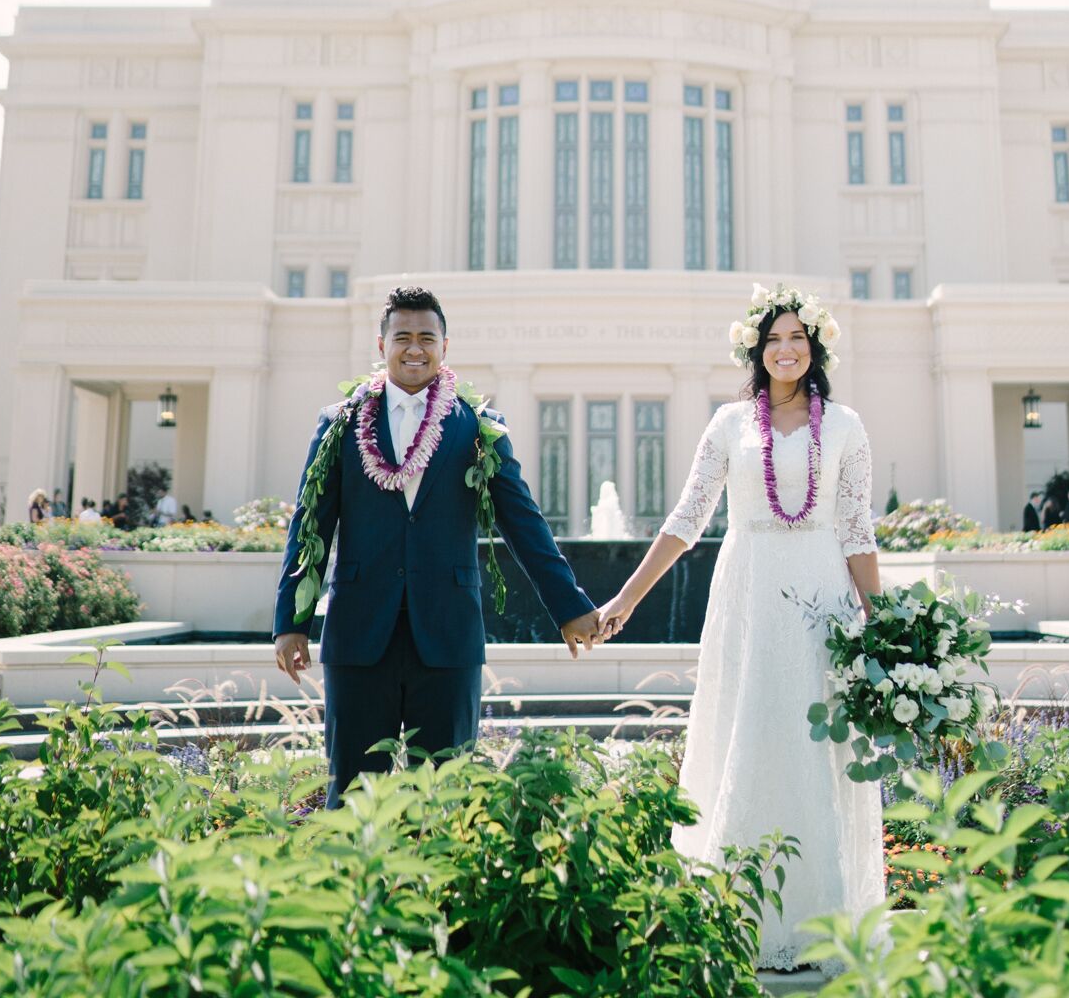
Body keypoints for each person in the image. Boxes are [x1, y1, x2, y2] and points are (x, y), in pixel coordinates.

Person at [597, 285, 886, 973]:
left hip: (820, 592)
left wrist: (886, 626)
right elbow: (686, 518)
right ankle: (739, 913)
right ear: (756, 351)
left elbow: (855, 529)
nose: (785, 349)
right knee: (750, 729)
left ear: (814, 348)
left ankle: (822, 923)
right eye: (773, 339)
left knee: (813, 741)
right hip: (749, 591)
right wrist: (626, 598)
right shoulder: (729, 424)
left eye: (797, 338)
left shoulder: (844, 424)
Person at [273, 281, 604, 809]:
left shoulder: (477, 427)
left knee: (448, 798)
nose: (414, 348)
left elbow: (524, 523)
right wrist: (292, 621)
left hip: (447, 636)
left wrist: (569, 607)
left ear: (445, 347)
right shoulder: (339, 424)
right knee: (354, 795)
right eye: (402, 336)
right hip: (360, 635)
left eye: (427, 337)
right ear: (381, 346)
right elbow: (309, 526)